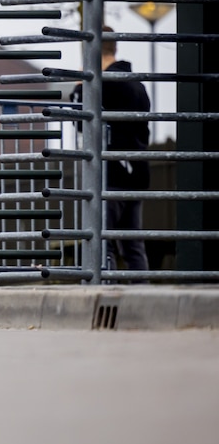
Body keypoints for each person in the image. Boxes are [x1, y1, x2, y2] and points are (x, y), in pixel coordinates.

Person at [71, 26, 151, 275]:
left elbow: (80, 120)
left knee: (101, 243)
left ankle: (106, 292)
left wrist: (79, 87)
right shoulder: (136, 84)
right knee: (133, 246)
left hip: (110, 173)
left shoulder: (103, 85)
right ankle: (141, 291)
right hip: (136, 172)